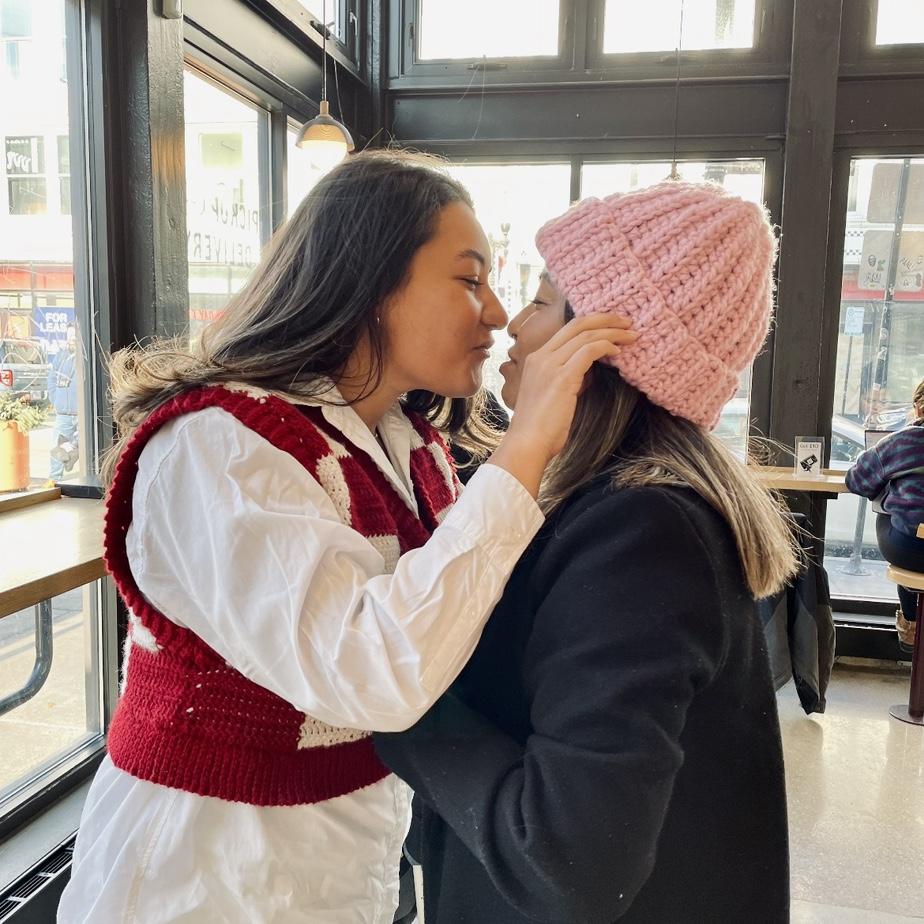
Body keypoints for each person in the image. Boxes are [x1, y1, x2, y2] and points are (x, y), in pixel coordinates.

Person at [56, 151, 636, 924]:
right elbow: (374, 672)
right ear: (369, 283)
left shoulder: (410, 445)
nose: (497, 314)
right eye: (471, 279)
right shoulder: (218, 447)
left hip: (345, 861)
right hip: (206, 878)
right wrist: (526, 445)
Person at [375, 181, 801, 924]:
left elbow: (567, 861)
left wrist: (388, 695)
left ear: (602, 346)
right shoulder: (621, 507)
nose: (511, 323)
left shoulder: (642, 533)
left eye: (542, 301)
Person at [847, 378, 924, 651]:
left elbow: (856, 481)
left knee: (892, 513)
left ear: (918, 407)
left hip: (909, 549)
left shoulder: (904, 441)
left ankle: (911, 625)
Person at [47, 322, 79, 480]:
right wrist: (55, 400)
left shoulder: (85, 356)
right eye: (69, 335)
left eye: (74, 335)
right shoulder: (61, 356)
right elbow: (52, 379)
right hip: (63, 415)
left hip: (81, 414)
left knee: (86, 448)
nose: (71, 338)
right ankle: (54, 480)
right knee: (57, 448)